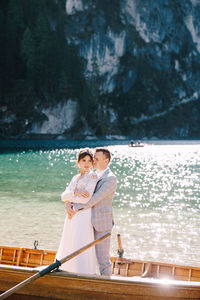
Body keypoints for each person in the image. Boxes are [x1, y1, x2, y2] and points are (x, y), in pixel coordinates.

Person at [66, 148, 117, 276]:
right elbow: (76, 193)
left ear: (106, 161)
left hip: (101, 223)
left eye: (97, 159)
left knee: (103, 259)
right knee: (86, 256)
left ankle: (106, 286)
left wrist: (75, 207)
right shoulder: (93, 175)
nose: (93, 161)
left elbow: (95, 199)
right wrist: (68, 204)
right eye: (94, 158)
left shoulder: (110, 178)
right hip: (87, 221)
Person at [56, 149, 98, 274]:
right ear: (78, 162)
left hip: (83, 214)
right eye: (84, 160)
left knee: (81, 239)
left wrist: (70, 199)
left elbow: (86, 199)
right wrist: (72, 197)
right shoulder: (75, 177)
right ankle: (68, 268)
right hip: (71, 214)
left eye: (89, 161)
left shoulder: (93, 176)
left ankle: (83, 271)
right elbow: (63, 196)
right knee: (70, 239)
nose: (86, 163)